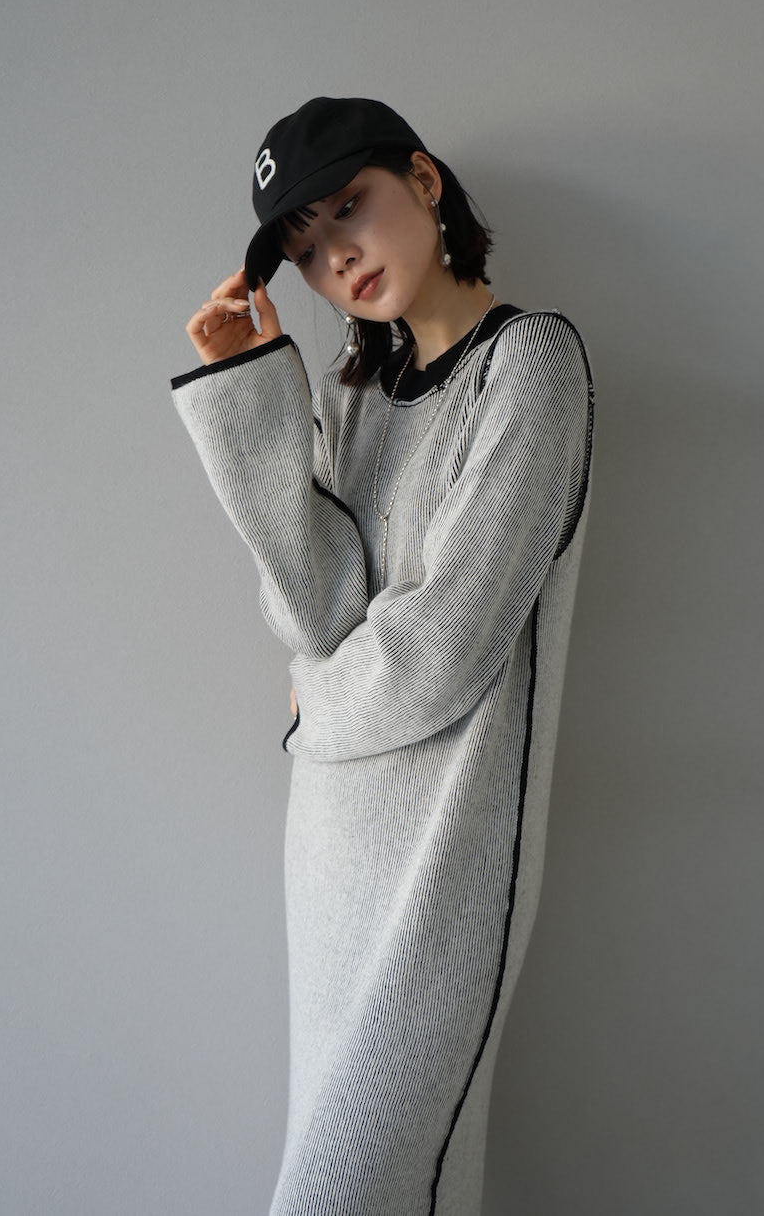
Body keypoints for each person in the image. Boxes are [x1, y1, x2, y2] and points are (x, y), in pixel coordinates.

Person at [170, 96, 596, 1215]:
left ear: (424, 179)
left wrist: (310, 708)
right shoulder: (347, 398)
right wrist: (254, 400)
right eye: (305, 247)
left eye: (348, 207)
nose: (336, 257)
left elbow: (442, 648)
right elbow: (313, 617)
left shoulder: (531, 364)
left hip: (445, 862)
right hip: (327, 853)